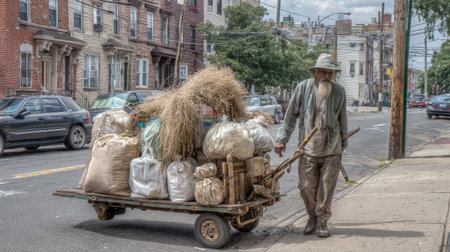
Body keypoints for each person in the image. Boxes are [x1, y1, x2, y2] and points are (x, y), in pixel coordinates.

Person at [274, 53, 348, 238]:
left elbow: (342, 119)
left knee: (326, 188)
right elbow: (290, 117)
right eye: (323, 72)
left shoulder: (338, 92)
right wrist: (281, 140)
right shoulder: (303, 89)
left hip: (331, 149)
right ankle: (312, 217)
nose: (326, 76)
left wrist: (343, 143)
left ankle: (322, 221)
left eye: (330, 73)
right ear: (315, 73)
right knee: (305, 187)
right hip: (307, 149)